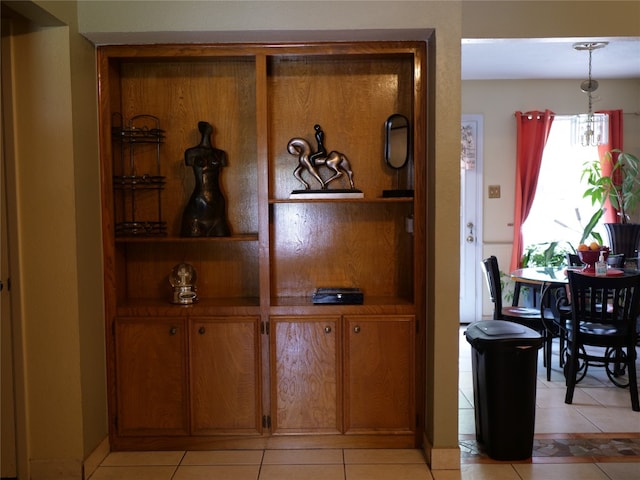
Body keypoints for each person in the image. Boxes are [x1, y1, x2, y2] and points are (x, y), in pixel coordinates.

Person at [180, 121, 231, 237]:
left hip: (217, 208)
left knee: (224, 242)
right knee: (192, 249)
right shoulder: (191, 153)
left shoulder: (220, 154)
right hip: (197, 208)